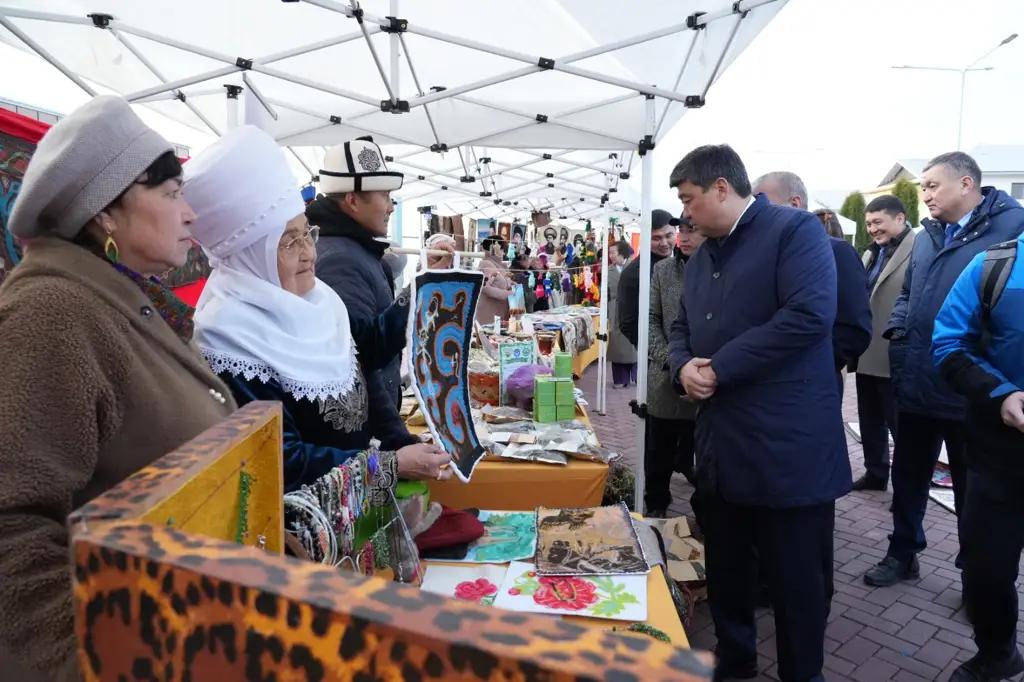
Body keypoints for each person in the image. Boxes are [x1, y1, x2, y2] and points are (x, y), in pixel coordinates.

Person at [0, 96, 237, 681]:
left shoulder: (119, 302)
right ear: (106, 212)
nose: (190, 216)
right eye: (171, 193)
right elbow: (13, 529)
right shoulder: (51, 314)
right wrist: (95, 662)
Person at [186, 126, 451, 493]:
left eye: (306, 234)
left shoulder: (319, 300)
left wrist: (396, 444)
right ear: (250, 256)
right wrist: (387, 464)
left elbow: (363, 364)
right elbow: (281, 459)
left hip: (352, 507)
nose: (309, 252)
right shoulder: (228, 336)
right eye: (288, 242)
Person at [668, 145, 849, 682]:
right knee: (726, 568)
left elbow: (809, 316)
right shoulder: (701, 257)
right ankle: (736, 660)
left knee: (796, 583)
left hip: (786, 451)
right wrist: (682, 368)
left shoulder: (795, 233)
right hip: (722, 449)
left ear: (722, 187)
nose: (686, 214)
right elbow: (680, 328)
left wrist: (718, 368)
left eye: (691, 200)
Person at [863, 151, 1024, 588]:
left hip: (972, 387)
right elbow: (909, 290)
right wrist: (899, 330)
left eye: (933, 185)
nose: (925, 194)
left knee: (974, 492)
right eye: (924, 186)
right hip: (916, 378)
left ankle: (978, 578)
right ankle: (903, 553)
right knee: (909, 474)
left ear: (966, 184)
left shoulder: (1011, 229)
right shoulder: (928, 233)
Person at [933, 230, 1024, 682]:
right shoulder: (993, 266)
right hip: (999, 452)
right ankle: (997, 653)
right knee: (986, 570)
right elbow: (949, 345)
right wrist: (1002, 395)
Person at [306, 136, 413, 451]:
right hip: (364, 439)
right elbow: (362, 356)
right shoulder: (340, 258)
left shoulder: (352, 247)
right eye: (384, 195)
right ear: (352, 201)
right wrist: (396, 438)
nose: (391, 206)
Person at [753, 171, 872, 395]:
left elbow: (854, 329)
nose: (755, 214)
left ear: (795, 203)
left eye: (763, 204)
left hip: (811, 388)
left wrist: (808, 366)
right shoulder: (764, 255)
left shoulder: (836, 252)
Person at [852, 195, 915, 491]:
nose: (873, 229)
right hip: (866, 352)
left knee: (900, 426)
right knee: (870, 421)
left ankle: (906, 486)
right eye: (868, 224)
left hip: (895, 353)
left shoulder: (920, 249)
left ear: (900, 218)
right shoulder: (869, 254)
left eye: (878, 222)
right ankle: (876, 474)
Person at [646, 217, 706, 515]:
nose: (682, 237)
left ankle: (704, 513)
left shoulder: (719, 269)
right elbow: (651, 319)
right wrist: (671, 362)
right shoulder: (663, 269)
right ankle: (656, 503)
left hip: (708, 379)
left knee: (704, 449)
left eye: (690, 229)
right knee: (659, 448)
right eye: (680, 230)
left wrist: (702, 372)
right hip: (666, 376)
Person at [617, 209, 678, 347]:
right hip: (658, 360)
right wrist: (660, 355)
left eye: (669, 235)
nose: (664, 243)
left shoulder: (681, 263)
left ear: (675, 232)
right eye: (656, 238)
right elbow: (628, 323)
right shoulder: (635, 273)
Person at [607, 240, 638, 388]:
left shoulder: (634, 266)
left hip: (632, 307)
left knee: (634, 343)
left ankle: (637, 376)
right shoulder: (608, 271)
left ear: (623, 252)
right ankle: (620, 379)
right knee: (617, 344)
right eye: (610, 252)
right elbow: (605, 294)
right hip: (615, 308)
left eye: (613, 252)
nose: (611, 255)